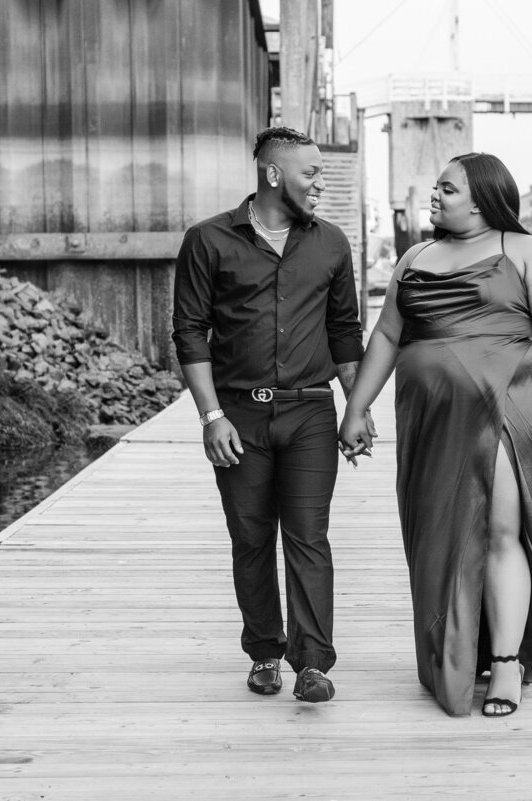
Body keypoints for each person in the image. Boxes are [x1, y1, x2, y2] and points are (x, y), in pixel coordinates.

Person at [338, 152, 532, 717]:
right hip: (430, 420)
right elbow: (385, 338)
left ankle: (505, 663)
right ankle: (450, 654)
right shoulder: (416, 256)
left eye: (447, 189)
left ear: (480, 198)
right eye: (438, 186)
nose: (435, 195)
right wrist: (356, 408)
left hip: (506, 404)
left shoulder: (524, 252)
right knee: (440, 535)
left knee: (501, 528)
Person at [173, 126, 370, 704]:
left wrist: (356, 410)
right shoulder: (207, 240)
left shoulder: (332, 244)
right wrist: (212, 417)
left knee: (309, 537)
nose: (320, 183)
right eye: (311, 172)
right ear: (273, 174)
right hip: (239, 414)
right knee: (251, 538)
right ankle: (264, 652)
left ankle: (312, 664)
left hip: (310, 412)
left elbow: (344, 332)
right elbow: (189, 332)